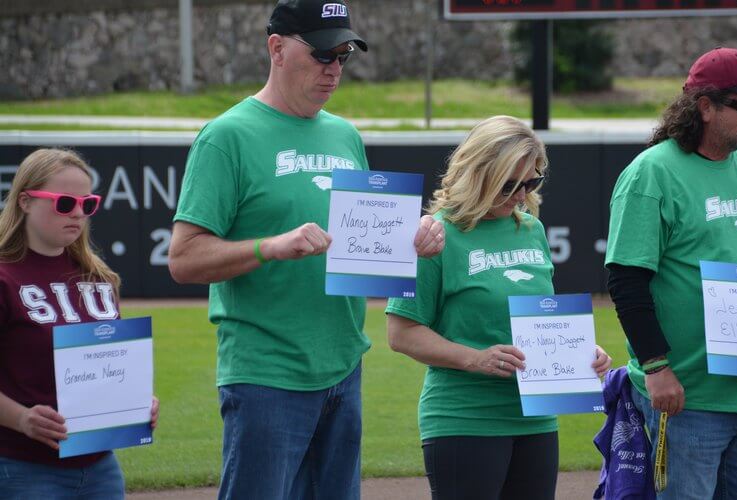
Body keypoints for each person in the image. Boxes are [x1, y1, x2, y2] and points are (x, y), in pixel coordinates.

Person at [167, 1, 443, 499]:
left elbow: (364, 250)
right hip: (265, 373)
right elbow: (183, 259)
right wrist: (271, 247)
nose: (334, 69)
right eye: (321, 54)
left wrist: (412, 240)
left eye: (343, 56)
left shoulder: (344, 134)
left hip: (343, 365)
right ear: (276, 48)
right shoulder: (226, 136)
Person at [605, 47, 737, 499]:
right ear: (704, 106)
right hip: (687, 398)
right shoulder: (651, 173)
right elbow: (627, 281)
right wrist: (657, 368)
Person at [386, 115, 612, 500]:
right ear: (479, 174)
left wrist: (582, 355)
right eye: (509, 184)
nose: (521, 195)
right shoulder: (437, 234)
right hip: (464, 419)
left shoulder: (531, 229)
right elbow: (401, 332)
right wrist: (476, 358)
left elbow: (543, 322)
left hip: (537, 419)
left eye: (532, 182)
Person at [0, 148, 160, 499]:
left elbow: (108, 366)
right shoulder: (4, 277)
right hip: (22, 467)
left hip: (100, 467)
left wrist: (136, 402)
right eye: (63, 203)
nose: (77, 213)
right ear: (25, 201)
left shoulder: (98, 278)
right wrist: (21, 419)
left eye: (87, 204)